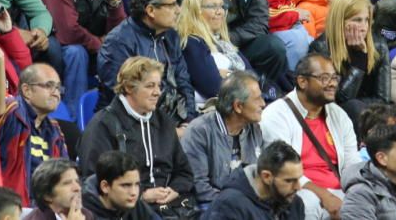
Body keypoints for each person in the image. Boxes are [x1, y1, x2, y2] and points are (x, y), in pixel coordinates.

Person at [79, 57, 196, 215]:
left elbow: (184, 172)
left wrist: (174, 189)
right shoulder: (102, 125)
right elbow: (93, 183)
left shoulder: (164, 121)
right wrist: (141, 195)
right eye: (150, 86)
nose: (157, 92)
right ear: (128, 87)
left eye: (159, 86)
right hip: (128, 210)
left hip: (172, 206)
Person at [35, 0, 125, 120]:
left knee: (123, 51)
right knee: (76, 52)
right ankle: (74, 121)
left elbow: (120, 34)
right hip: (52, 49)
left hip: (90, 46)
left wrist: (115, 2)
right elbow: (67, 31)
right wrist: (101, 44)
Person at [260, 53, 360, 220]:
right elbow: (283, 169)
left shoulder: (339, 115)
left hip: (338, 191)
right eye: (324, 78)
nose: (333, 84)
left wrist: (358, 192)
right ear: (302, 81)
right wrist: (325, 196)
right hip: (298, 190)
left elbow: (352, 163)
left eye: (335, 77)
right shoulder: (276, 115)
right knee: (307, 203)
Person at [0, 63, 69, 207]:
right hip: (5, 207)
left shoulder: (55, 129)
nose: (56, 93)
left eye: (58, 87)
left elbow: (66, 175)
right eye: (49, 86)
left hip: (43, 210)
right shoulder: (9, 111)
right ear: (26, 90)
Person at [96, 0, 193, 121]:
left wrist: (189, 121)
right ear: (151, 10)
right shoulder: (118, 43)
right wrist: (167, 132)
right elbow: (126, 99)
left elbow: (184, 83)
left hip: (169, 120)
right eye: (172, 5)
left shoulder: (171, 36)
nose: (178, 10)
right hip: (129, 125)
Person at [308, 0, 390, 128]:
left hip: (370, 116)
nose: (364, 27)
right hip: (332, 119)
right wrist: (359, 63)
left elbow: (384, 100)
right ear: (340, 21)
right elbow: (335, 100)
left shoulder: (379, 46)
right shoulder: (320, 49)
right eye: (357, 20)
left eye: (367, 20)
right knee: (353, 107)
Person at [181, 71, 265, 204]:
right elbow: (198, 186)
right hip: (210, 205)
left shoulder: (254, 128)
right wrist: (237, 204)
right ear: (238, 106)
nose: (263, 103)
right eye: (257, 99)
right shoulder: (199, 131)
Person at [177, 0, 253, 108]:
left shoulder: (223, 43)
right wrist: (235, 76)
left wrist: (228, 75)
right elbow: (214, 88)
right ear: (195, 10)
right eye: (212, 6)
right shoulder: (192, 43)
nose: (220, 12)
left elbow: (252, 77)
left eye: (222, 6)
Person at [204, 140, 305, 220]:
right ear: (266, 177)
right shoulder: (229, 205)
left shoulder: (295, 203)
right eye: (289, 181)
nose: (298, 187)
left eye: (298, 179)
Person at [82, 151, 157, 220]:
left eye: (137, 184)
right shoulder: (84, 214)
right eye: (126, 185)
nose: (134, 192)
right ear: (105, 186)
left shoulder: (135, 205)